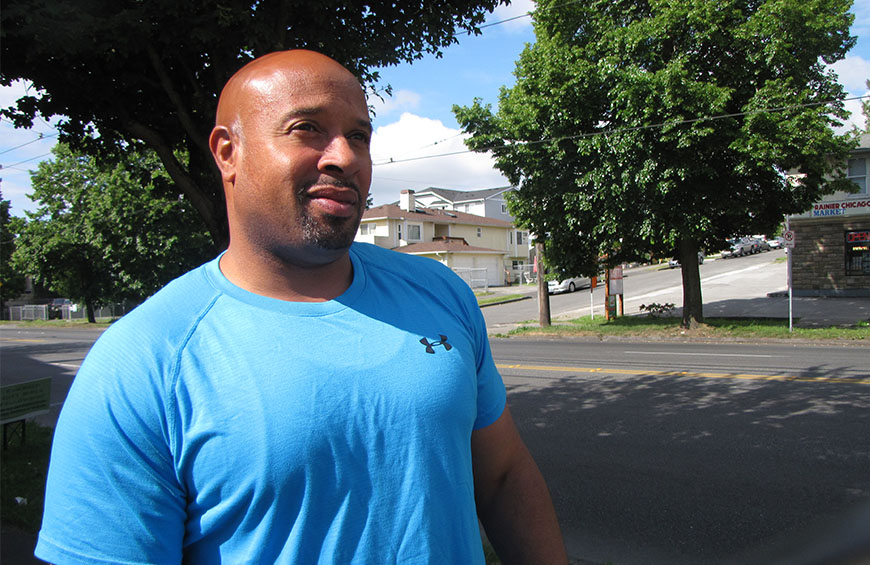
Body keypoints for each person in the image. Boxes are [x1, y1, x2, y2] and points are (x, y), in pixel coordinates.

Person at [35, 50, 568, 564]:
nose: (345, 157)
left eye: (358, 136)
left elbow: (501, 476)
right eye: (307, 128)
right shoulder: (143, 363)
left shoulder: (440, 291)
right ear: (228, 153)